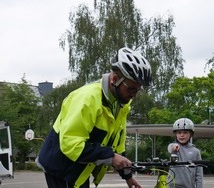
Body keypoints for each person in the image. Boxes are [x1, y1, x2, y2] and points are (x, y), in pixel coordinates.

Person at [36, 47, 152, 188]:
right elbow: (71, 144)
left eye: (137, 90)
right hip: (61, 168)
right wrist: (111, 157)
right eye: (131, 89)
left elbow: (118, 143)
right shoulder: (87, 99)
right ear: (115, 79)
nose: (134, 94)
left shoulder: (120, 104)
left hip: (80, 166)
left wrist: (127, 174)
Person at [167, 118, 203, 188]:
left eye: (185, 132)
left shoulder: (195, 151)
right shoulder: (174, 148)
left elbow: (199, 174)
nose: (182, 135)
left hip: (188, 186)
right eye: (179, 132)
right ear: (175, 134)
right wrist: (174, 147)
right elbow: (170, 148)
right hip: (172, 186)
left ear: (191, 134)